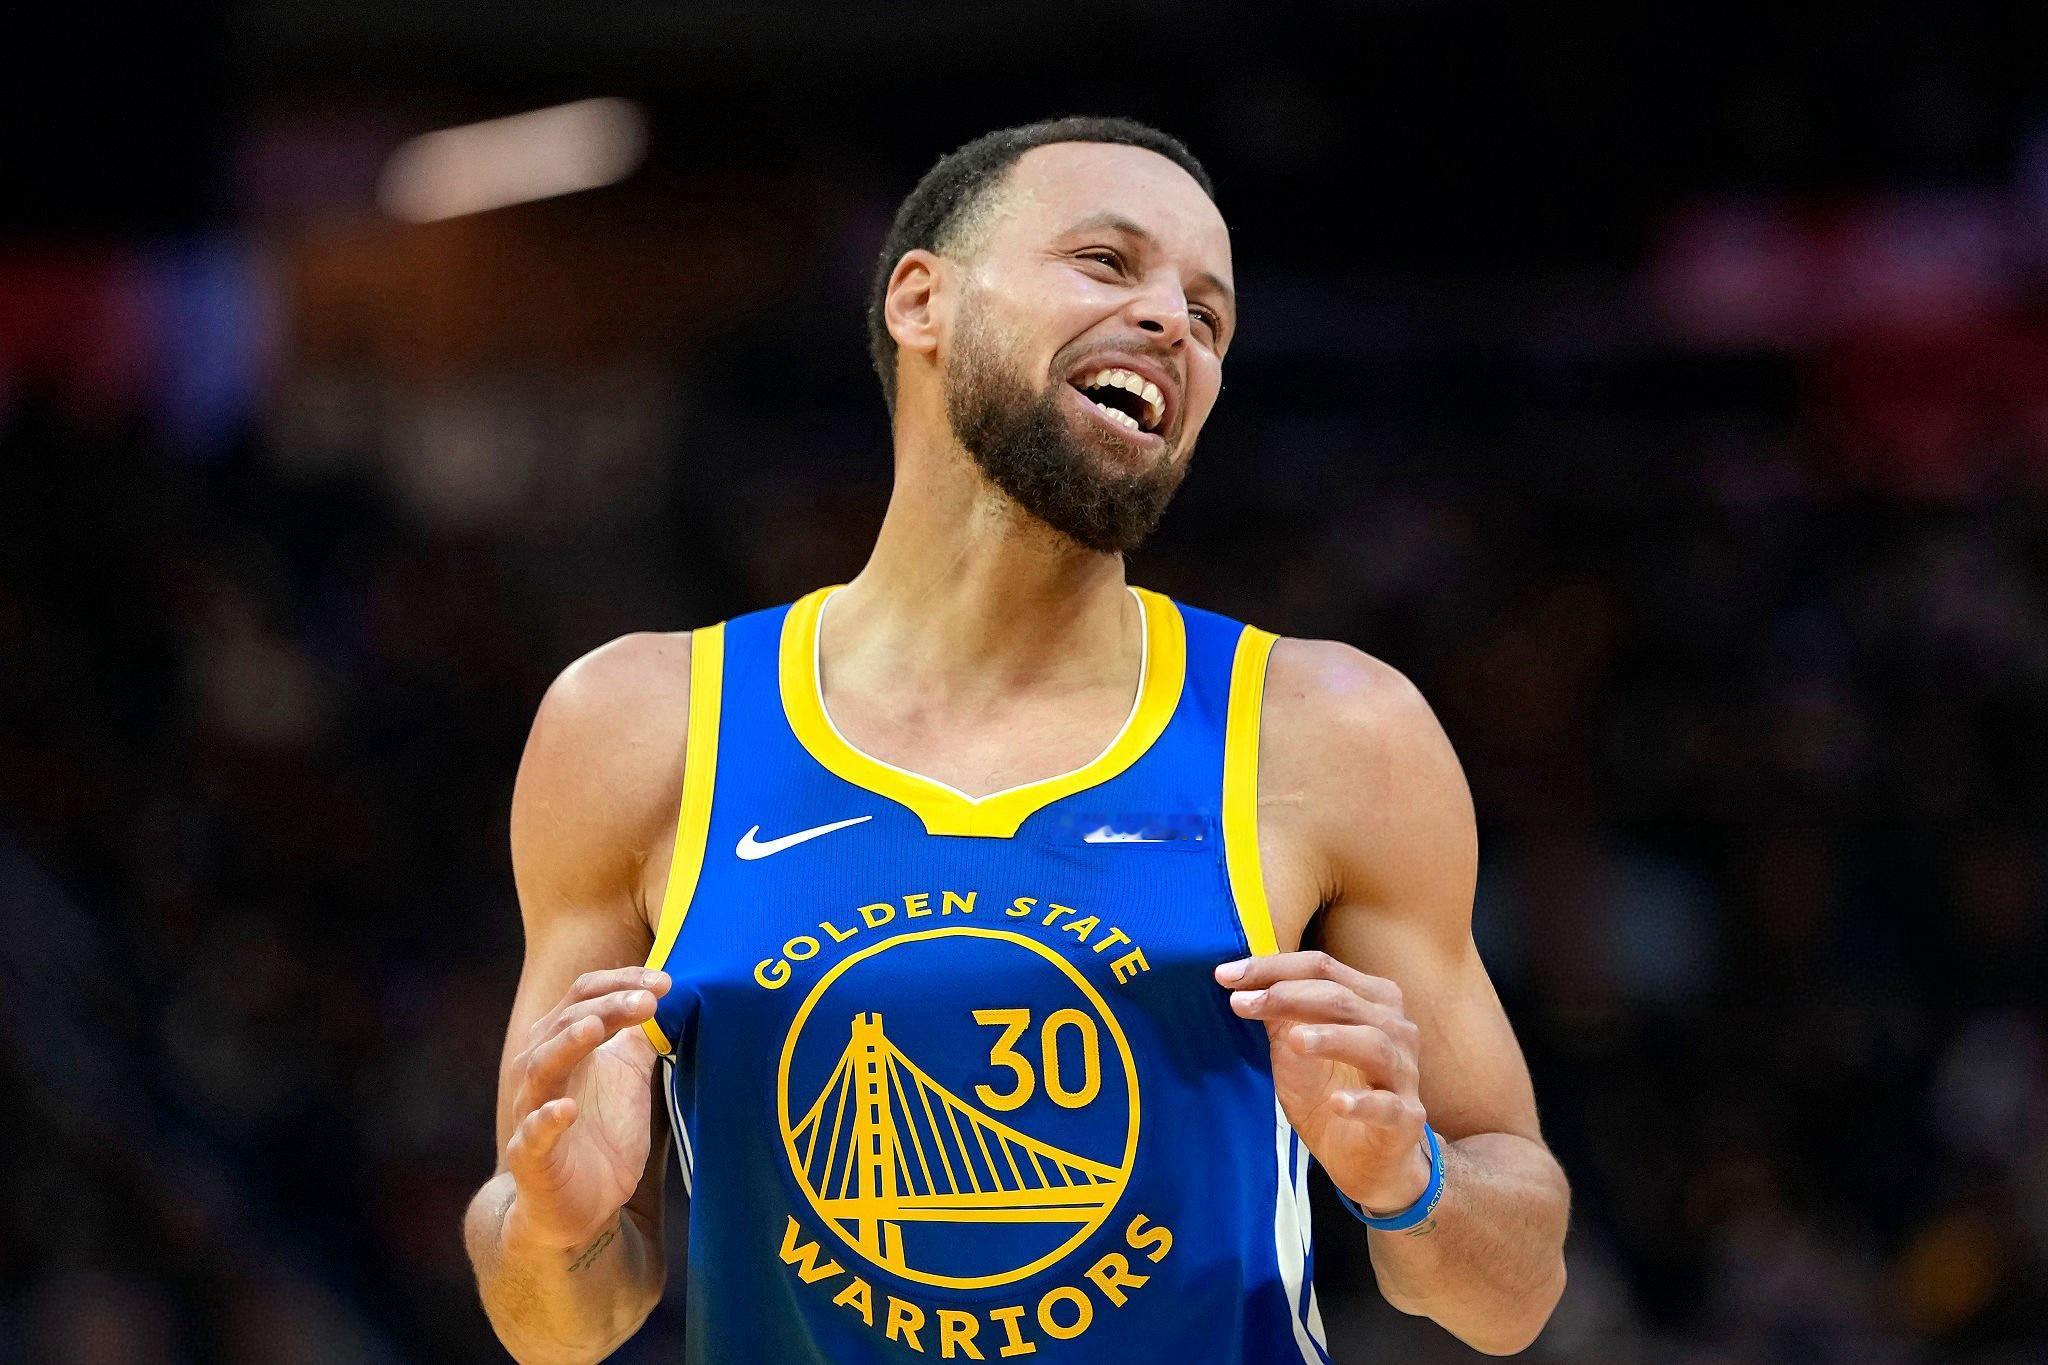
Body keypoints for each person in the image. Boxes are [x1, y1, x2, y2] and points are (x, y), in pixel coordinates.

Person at [462, 116, 1569, 1364]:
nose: (1170, 322)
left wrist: (1409, 1180)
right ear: (919, 300)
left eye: (1209, 317)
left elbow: (1513, 1293)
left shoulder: (1331, 728)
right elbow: (555, 1327)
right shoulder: (641, 722)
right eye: (1106, 262)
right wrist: (556, 1232)